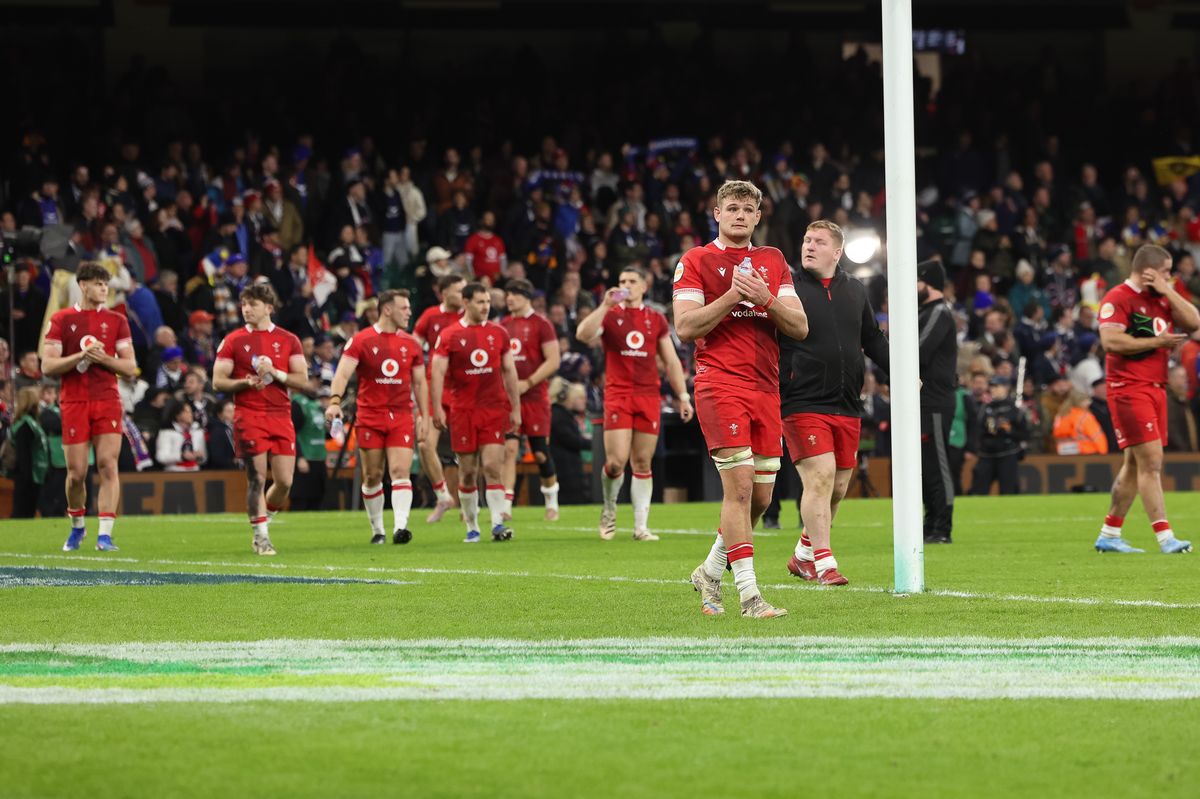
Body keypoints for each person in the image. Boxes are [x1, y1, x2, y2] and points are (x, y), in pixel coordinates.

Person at [673, 179, 808, 619]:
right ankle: (750, 596)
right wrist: (734, 295)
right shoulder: (696, 260)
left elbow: (800, 326)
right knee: (740, 486)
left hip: (766, 388)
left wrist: (765, 297)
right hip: (720, 383)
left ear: (758, 217)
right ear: (717, 213)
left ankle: (710, 571)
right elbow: (686, 327)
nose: (740, 215)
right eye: (731, 208)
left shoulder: (773, 260)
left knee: (762, 499)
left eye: (748, 210)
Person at [778, 219, 889, 586]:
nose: (808, 246)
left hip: (846, 401)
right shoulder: (787, 288)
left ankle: (802, 555)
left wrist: (903, 372)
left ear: (837, 251)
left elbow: (872, 340)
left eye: (818, 241)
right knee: (821, 477)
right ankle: (825, 564)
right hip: (802, 399)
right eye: (806, 240)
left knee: (839, 486)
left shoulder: (855, 290)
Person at [1094, 244, 1198, 553]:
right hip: (1128, 388)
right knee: (1152, 461)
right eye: (1166, 271)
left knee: (1135, 465)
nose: (1171, 276)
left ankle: (1109, 534)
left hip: (1154, 387)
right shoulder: (1118, 298)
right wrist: (1158, 341)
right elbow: (1110, 340)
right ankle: (1166, 538)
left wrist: (1168, 289)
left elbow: (1194, 323)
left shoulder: (1161, 298)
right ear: (1147, 271)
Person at [577, 264, 693, 541]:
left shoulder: (656, 319)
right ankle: (609, 508)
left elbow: (671, 361)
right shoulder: (610, 314)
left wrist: (683, 396)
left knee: (642, 462)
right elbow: (582, 335)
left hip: (647, 395)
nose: (625, 285)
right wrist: (604, 306)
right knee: (616, 463)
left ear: (644, 286)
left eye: (631, 280)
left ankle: (640, 527)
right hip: (618, 394)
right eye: (621, 280)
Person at [41, 262, 139, 552]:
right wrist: (80, 356)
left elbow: (130, 367)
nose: (104, 289)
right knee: (77, 473)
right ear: (83, 285)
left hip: (107, 399)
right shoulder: (61, 319)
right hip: (74, 401)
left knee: (109, 465)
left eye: (106, 284)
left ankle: (105, 535)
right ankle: (77, 526)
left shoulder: (117, 320)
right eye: (98, 284)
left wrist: (102, 358)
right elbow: (48, 365)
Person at [212, 283, 308, 555]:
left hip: (280, 414)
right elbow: (218, 381)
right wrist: (244, 382)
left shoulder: (289, 340)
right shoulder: (233, 340)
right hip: (249, 414)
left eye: (252, 304)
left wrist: (276, 373)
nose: (246, 309)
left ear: (268, 307)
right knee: (257, 477)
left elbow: (302, 379)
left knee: (285, 482)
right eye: (244, 304)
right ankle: (261, 536)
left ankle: (264, 520)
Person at [326, 289, 429, 544]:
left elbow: (420, 384)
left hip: (402, 414)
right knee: (372, 475)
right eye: (404, 308)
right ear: (387, 310)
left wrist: (425, 415)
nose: (409, 313)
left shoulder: (412, 344)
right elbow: (341, 374)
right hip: (371, 414)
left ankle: (400, 527)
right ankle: (377, 530)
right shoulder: (361, 340)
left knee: (399, 470)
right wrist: (335, 402)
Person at [430, 281, 522, 543]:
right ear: (466, 302)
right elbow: (437, 372)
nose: (485, 307)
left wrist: (515, 408)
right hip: (463, 411)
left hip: (492, 409)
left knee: (493, 466)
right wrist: (437, 407)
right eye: (480, 302)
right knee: (468, 472)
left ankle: (496, 524)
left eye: (488, 303)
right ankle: (472, 525)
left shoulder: (499, 333)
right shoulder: (450, 335)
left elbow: (509, 371)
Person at [500, 278, 562, 521]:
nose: (509, 299)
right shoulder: (503, 325)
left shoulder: (541, 324)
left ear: (525, 296)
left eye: (513, 294)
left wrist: (529, 382)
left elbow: (553, 360)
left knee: (540, 453)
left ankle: (551, 501)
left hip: (535, 397)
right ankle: (505, 505)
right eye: (507, 295)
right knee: (509, 448)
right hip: (510, 399)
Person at [412, 273, 466, 521]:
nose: (463, 295)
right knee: (424, 443)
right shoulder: (431, 316)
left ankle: (467, 502)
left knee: (467, 450)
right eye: (458, 290)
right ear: (444, 293)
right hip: (435, 386)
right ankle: (443, 495)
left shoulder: (470, 314)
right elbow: (413, 347)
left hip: (464, 388)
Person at [915, 258, 961, 544]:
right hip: (924, 399)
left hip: (934, 400)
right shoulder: (928, 312)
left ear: (927, 282)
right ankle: (931, 522)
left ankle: (942, 525)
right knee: (925, 466)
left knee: (937, 464)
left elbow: (919, 350)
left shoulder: (939, 312)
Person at [971, 376, 1028, 495]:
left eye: (997, 386)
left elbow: (1024, 434)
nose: (993, 389)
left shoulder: (1015, 410)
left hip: (1007, 453)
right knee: (978, 491)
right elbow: (977, 430)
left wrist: (1008, 431)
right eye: (991, 387)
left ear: (1006, 388)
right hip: (986, 454)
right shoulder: (984, 408)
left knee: (1008, 491)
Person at [548, 378, 592, 504]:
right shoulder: (559, 415)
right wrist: (594, 444)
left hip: (565, 466)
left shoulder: (560, 413)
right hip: (565, 469)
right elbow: (571, 440)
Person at [8, 386, 49, 518]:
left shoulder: (31, 422)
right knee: (22, 512)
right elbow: (24, 455)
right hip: (28, 477)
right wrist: (27, 479)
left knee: (28, 511)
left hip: (33, 475)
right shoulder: (26, 425)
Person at [154, 399, 207, 472]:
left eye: (190, 411)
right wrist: (182, 456)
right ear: (177, 415)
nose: (190, 414)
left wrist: (199, 456)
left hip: (195, 472)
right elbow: (161, 457)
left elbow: (203, 459)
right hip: (174, 472)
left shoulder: (198, 432)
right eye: (186, 412)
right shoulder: (167, 432)